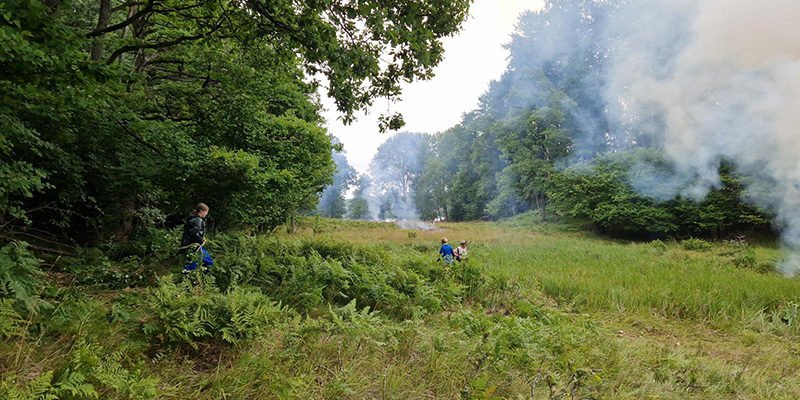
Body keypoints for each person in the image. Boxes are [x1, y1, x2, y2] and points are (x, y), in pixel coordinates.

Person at [180, 203, 213, 273]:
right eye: (206, 212)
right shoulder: (197, 220)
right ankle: (187, 280)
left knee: (206, 262)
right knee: (206, 262)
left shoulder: (194, 219)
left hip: (194, 245)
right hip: (194, 246)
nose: (206, 214)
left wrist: (202, 237)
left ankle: (199, 280)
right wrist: (201, 240)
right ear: (201, 211)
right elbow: (194, 234)